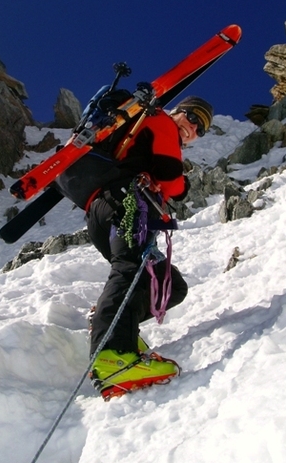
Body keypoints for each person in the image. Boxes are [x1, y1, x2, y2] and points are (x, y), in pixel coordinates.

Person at [86, 95, 213, 399]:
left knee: (171, 286)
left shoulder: (146, 129)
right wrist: (182, 186)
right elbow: (172, 180)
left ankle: (112, 322)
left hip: (103, 213)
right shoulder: (161, 122)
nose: (193, 128)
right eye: (192, 117)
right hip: (128, 205)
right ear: (177, 111)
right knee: (131, 270)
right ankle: (114, 356)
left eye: (201, 129)